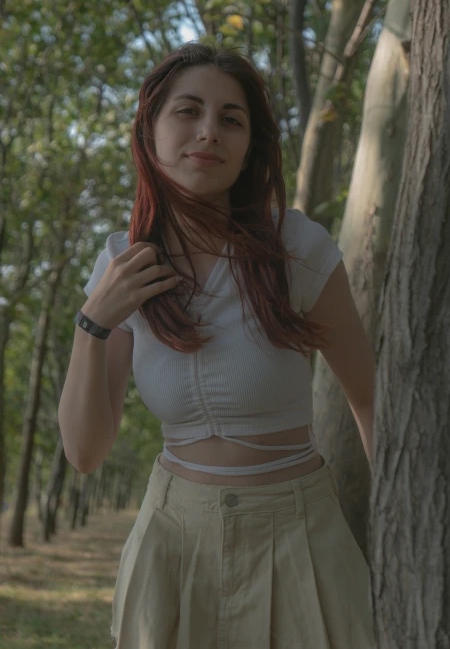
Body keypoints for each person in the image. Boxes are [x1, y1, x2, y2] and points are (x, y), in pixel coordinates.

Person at [58, 42, 376, 649]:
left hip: (301, 536)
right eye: (188, 111)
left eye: (231, 119)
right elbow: (85, 453)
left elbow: (369, 399)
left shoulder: (298, 248)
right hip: (173, 542)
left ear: (249, 147)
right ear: (150, 131)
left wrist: (404, 523)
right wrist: (92, 323)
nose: (208, 132)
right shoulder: (119, 263)